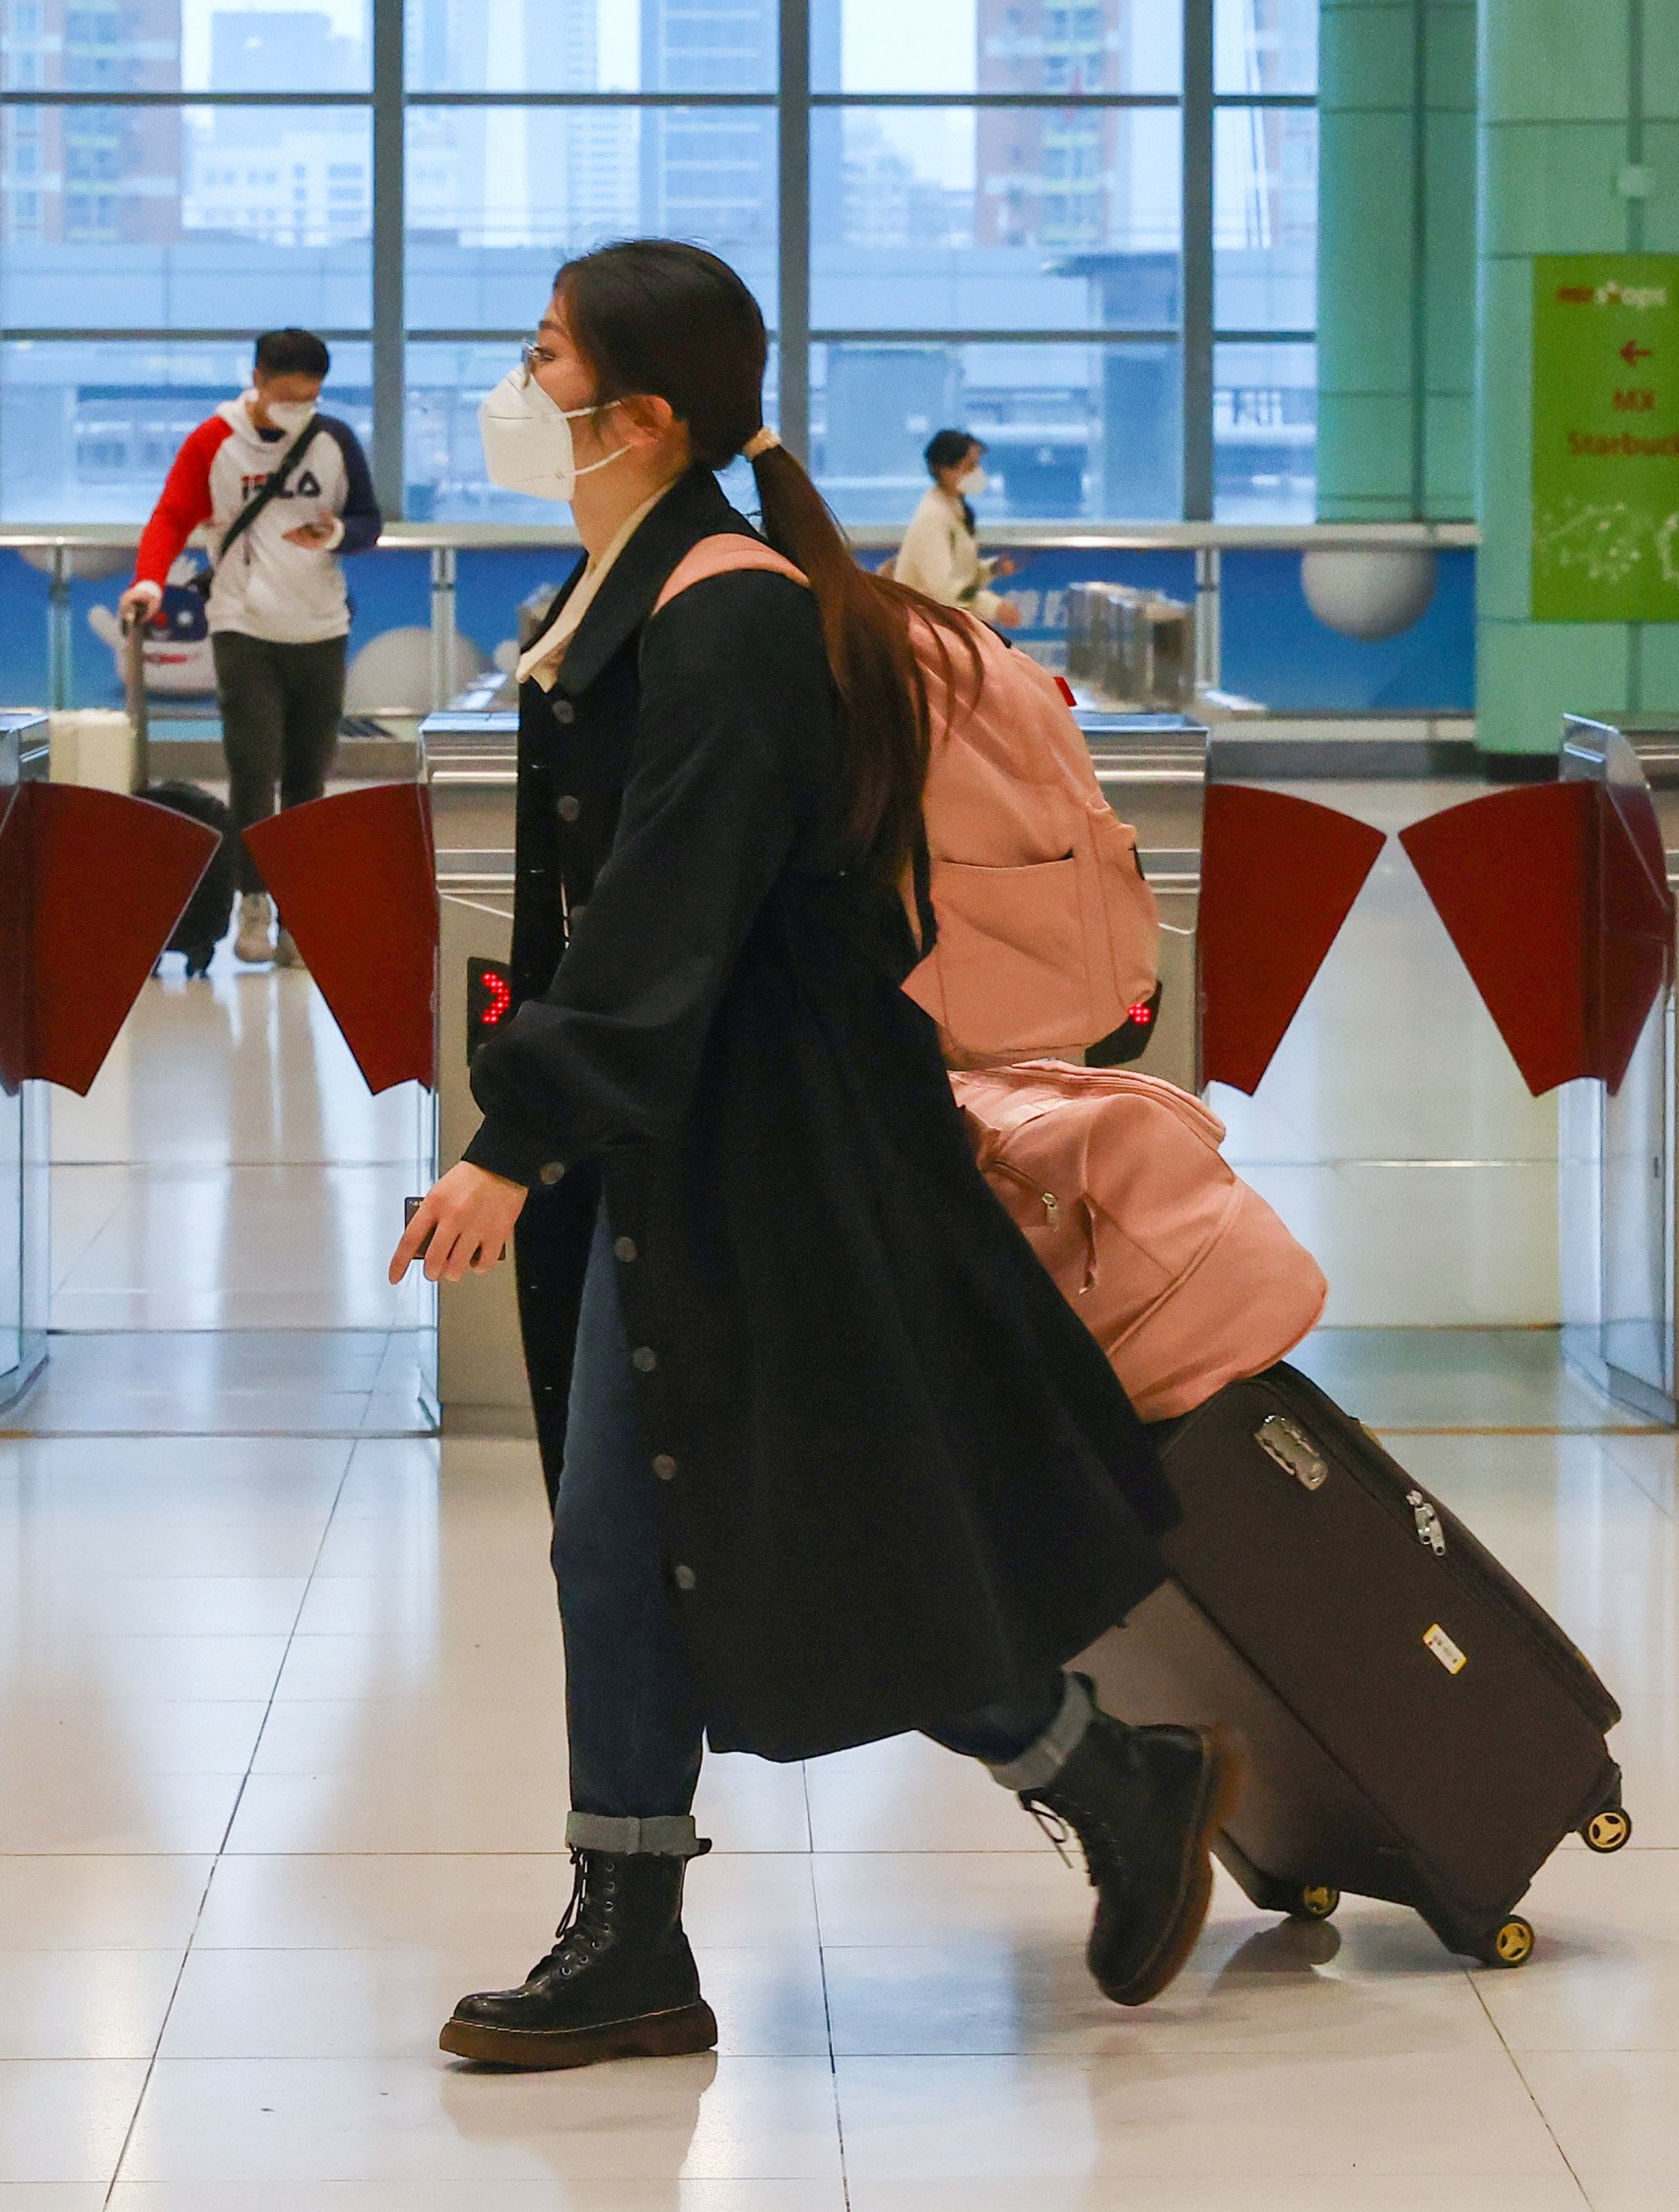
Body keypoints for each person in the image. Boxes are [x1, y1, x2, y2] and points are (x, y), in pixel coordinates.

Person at [390, 239, 1235, 2073]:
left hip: (768, 1155)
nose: (516, 389)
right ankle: (638, 1927)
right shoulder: (643, 582)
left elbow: (664, 908)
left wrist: (513, 1143)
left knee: (810, 1530)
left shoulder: (728, 611)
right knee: (632, 1540)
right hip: (684, 1138)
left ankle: (1107, 1775)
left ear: (644, 416)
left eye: (541, 358)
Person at [122, 331, 380, 966]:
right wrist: (150, 579)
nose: (301, 409)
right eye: (289, 396)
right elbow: (170, 516)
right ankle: (253, 902)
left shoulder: (333, 440)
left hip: (321, 629)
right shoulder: (215, 440)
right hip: (242, 626)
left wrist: (336, 532)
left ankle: (300, 911)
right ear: (259, 379)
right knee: (252, 769)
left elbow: (371, 522)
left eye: (311, 398)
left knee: (307, 778)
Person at [887, 425, 1021, 626]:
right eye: (970, 467)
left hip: (940, 625)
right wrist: (995, 607)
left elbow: (962, 577)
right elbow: (944, 590)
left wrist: (992, 568)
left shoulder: (952, 509)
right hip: (922, 627)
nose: (977, 473)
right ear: (944, 470)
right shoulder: (933, 517)